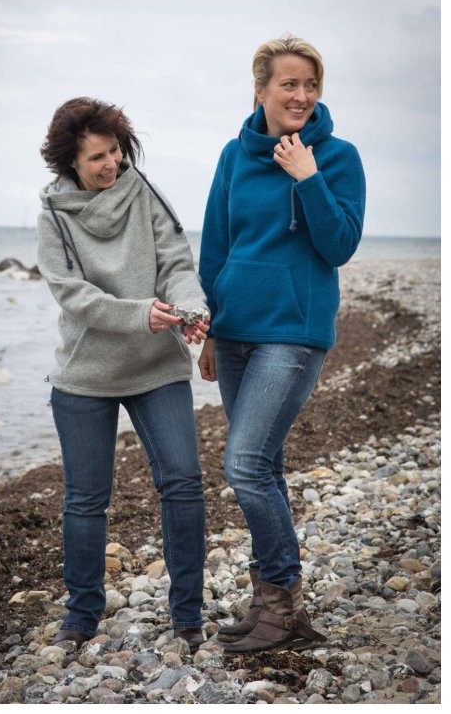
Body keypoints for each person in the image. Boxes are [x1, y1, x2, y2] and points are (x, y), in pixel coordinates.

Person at [198, 34, 366, 654]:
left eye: (310, 85)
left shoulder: (339, 156)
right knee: (262, 465)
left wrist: (308, 177)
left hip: (294, 333)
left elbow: (340, 246)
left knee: (242, 463)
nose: (300, 96)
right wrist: (213, 326)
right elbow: (216, 244)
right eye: (288, 84)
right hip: (237, 331)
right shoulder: (233, 156)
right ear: (261, 91)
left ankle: (281, 593)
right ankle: (275, 608)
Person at [37, 97, 210, 652]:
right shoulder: (53, 217)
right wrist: (139, 314)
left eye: (114, 151)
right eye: (96, 158)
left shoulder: (145, 193)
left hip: (156, 366)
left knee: (183, 482)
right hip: (85, 374)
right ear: (71, 164)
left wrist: (190, 308)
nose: (110, 164)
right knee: (86, 501)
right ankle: (81, 616)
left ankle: (187, 616)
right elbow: (73, 295)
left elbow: (176, 264)